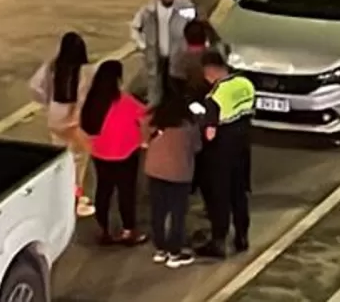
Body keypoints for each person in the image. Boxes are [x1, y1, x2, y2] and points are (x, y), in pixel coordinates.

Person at [193, 50, 255, 258]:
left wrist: (201, 121)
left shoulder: (215, 95)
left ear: (210, 70)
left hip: (221, 153)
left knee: (219, 196)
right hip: (243, 147)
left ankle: (218, 242)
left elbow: (210, 134)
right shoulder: (246, 83)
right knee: (239, 194)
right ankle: (242, 237)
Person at [80, 60, 148, 245]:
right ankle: (128, 231)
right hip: (126, 154)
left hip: (100, 154)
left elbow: (85, 127)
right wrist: (144, 140)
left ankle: (104, 230)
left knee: (103, 190)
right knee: (126, 192)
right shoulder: (126, 101)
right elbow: (145, 116)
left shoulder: (92, 102)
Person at [28, 31, 96, 217]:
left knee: (60, 159)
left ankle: (60, 197)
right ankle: (73, 200)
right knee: (78, 162)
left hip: (55, 117)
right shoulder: (87, 71)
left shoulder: (52, 67)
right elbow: (87, 98)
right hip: (74, 121)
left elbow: (35, 86)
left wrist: (47, 101)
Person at [144, 92, 202, 268]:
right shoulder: (189, 127)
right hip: (179, 174)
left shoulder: (153, 123)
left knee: (158, 211)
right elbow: (197, 147)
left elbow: (144, 139)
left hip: (155, 171)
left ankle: (160, 249)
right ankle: (175, 253)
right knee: (177, 214)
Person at [130, 0, 197, 107]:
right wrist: (143, 46)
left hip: (177, 58)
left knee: (176, 91)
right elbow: (135, 28)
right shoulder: (149, 10)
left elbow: (195, 28)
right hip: (156, 56)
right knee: (155, 89)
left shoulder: (185, 9)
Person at [169, 18, 220, 102]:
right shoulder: (214, 53)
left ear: (186, 38)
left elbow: (176, 82)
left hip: (193, 96)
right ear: (205, 38)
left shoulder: (178, 59)